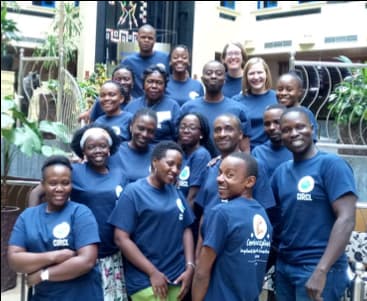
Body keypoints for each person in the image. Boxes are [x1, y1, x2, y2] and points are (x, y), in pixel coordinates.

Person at [28, 124, 129, 301]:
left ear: (110, 148)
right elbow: (37, 192)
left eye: (102, 146)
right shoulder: (75, 171)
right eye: (91, 147)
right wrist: (32, 226)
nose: (98, 150)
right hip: (78, 253)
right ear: (83, 150)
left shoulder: (120, 175)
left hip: (110, 254)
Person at [271, 107, 357, 301]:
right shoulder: (280, 173)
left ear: (312, 128)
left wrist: (321, 271)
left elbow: (346, 219)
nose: (294, 133)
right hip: (285, 267)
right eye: (287, 129)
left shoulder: (332, 165)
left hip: (318, 268)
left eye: (300, 127)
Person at [108, 141, 195, 301]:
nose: (175, 170)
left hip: (177, 278)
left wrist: (190, 266)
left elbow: (186, 228)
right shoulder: (133, 192)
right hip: (146, 281)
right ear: (155, 161)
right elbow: (121, 238)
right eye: (170, 163)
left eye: (179, 166)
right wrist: (152, 272)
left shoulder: (175, 192)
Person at [9, 155, 103, 301]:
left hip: (81, 295)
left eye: (65, 183)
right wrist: (55, 256)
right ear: (43, 184)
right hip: (44, 296)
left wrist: (43, 275)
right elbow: (15, 259)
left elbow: (86, 261)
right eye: (53, 183)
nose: (59, 188)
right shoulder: (27, 217)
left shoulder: (81, 213)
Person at [192, 152, 272, 301]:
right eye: (220, 173)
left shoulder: (222, 213)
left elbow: (202, 272)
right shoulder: (262, 215)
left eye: (229, 175)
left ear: (249, 182)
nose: (219, 179)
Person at [180, 60, 251, 154]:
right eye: (209, 73)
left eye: (218, 73)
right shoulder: (187, 108)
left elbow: (245, 150)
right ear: (202, 79)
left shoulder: (239, 110)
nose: (213, 76)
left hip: (229, 166)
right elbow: (180, 144)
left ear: (225, 79)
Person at [124, 64, 180, 143]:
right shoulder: (131, 107)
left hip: (163, 152)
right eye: (150, 81)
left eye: (159, 83)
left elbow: (178, 137)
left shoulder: (173, 106)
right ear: (143, 84)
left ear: (165, 86)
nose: (154, 86)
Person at [232, 57, 278, 150]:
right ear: (246, 77)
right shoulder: (236, 101)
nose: (256, 77)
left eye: (260, 72)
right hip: (244, 153)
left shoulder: (278, 98)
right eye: (251, 73)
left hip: (271, 151)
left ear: (266, 74)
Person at [177, 112, 215, 208]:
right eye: (182, 127)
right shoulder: (180, 153)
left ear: (201, 134)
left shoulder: (201, 155)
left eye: (192, 128)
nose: (186, 130)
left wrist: (185, 221)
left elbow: (193, 197)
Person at [120, 24, 170, 98]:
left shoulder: (165, 58)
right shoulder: (128, 62)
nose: (146, 40)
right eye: (143, 37)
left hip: (161, 104)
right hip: (137, 105)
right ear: (137, 38)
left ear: (155, 40)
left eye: (150, 38)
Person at [111, 108, 158, 184]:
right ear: (131, 127)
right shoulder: (115, 152)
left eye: (150, 131)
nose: (144, 134)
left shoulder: (157, 154)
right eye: (141, 128)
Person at [252, 103, 292, 179]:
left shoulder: (297, 151)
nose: (272, 127)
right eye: (267, 124)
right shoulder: (258, 152)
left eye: (277, 122)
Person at [275, 71, 319, 141]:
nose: (283, 93)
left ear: (300, 92)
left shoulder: (306, 114)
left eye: (289, 90)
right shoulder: (276, 113)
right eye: (280, 89)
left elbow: (311, 140)